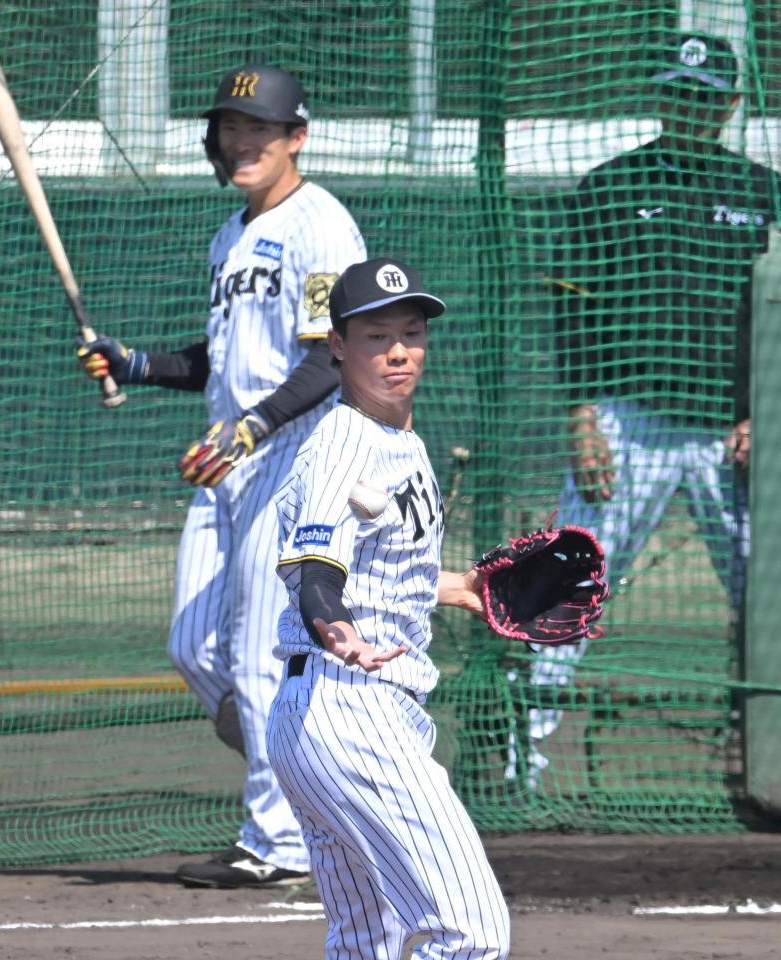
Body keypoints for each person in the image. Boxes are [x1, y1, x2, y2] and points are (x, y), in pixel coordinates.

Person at [76, 65, 366, 886]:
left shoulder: (322, 225)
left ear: (295, 138)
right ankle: (321, 764)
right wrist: (135, 362)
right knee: (194, 647)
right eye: (230, 130)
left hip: (289, 458)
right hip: (226, 460)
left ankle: (278, 843)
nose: (241, 143)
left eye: (259, 131)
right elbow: (223, 360)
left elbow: (329, 356)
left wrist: (254, 427)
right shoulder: (230, 235)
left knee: (253, 655)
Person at [510, 33, 779, 788]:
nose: (688, 107)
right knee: (570, 585)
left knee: (769, 597)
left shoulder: (766, 191)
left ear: (729, 105)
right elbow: (574, 316)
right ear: (659, 96)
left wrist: (765, 413)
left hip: (736, 434)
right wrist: (581, 414)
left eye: (703, 96)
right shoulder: (610, 184)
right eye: (676, 92)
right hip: (628, 421)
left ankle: (767, 756)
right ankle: (516, 761)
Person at [266, 257, 511, 960]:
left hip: (323, 714)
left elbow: (381, 568)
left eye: (411, 332)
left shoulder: (399, 440)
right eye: (376, 336)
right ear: (338, 346)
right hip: (349, 707)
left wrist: (460, 585)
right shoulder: (345, 441)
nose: (398, 351)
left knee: (368, 938)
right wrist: (338, 630)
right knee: (472, 934)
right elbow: (316, 573)